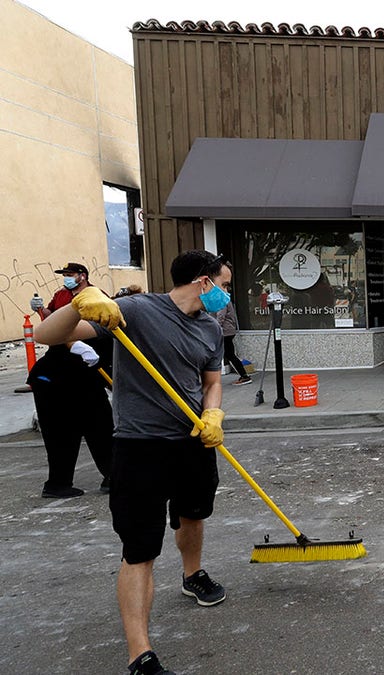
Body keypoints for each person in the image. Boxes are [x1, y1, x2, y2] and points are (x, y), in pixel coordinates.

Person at [34, 249, 231, 675]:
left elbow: (211, 382)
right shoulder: (135, 311)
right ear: (204, 281)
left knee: (194, 514)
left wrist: (214, 413)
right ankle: (140, 656)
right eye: (225, 285)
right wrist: (79, 303)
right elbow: (46, 337)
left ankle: (192, 575)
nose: (226, 295)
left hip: (193, 440)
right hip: (139, 446)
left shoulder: (210, 329)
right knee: (139, 549)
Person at [27, 339, 112, 497]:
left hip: (79, 376)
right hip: (57, 377)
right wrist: (72, 343)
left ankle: (113, 475)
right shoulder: (87, 322)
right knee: (70, 431)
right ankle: (57, 484)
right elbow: (54, 330)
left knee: (98, 425)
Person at [214, 300, 253, 385]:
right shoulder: (225, 299)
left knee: (228, 354)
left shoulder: (222, 300)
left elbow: (221, 316)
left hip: (225, 332)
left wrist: (215, 327)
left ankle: (244, 376)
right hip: (228, 331)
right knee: (230, 354)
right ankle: (244, 375)